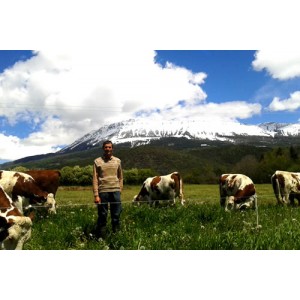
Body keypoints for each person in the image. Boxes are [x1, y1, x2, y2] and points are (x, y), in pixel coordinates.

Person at [92, 140, 123, 238]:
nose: (108, 149)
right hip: (103, 191)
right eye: (106, 147)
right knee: (102, 216)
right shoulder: (97, 161)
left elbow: (120, 177)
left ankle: (116, 236)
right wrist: (96, 195)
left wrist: (120, 189)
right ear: (103, 148)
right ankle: (101, 238)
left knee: (116, 215)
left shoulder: (118, 161)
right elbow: (95, 178)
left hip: (115, 191)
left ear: (112, 148)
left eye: (109, 147)